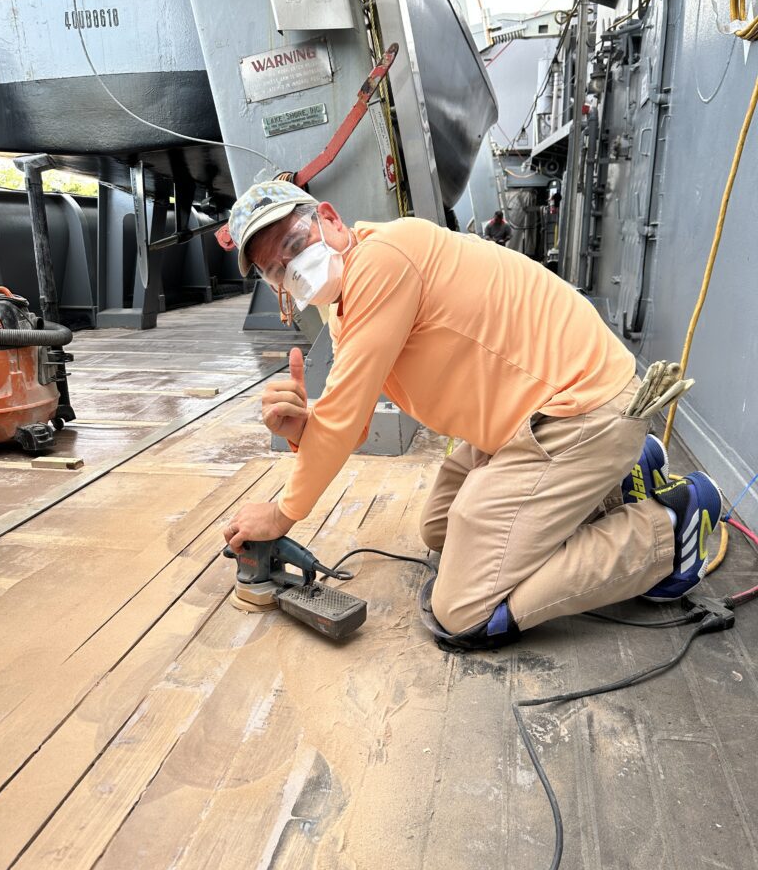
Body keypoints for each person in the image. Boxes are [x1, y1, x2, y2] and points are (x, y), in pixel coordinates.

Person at [222, 180, 722, 650]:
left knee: (463, 611)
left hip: (578, 410)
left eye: (292, 243)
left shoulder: (380, 261)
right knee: (439, 528)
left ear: (328, 219)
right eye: (275, 269)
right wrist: (305, 429)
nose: (292, 267)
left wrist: (282, 513)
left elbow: (344, 418)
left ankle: (669, 531)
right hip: (526, 418)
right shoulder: (344, 304)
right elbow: (344, 419)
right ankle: (622, 474)